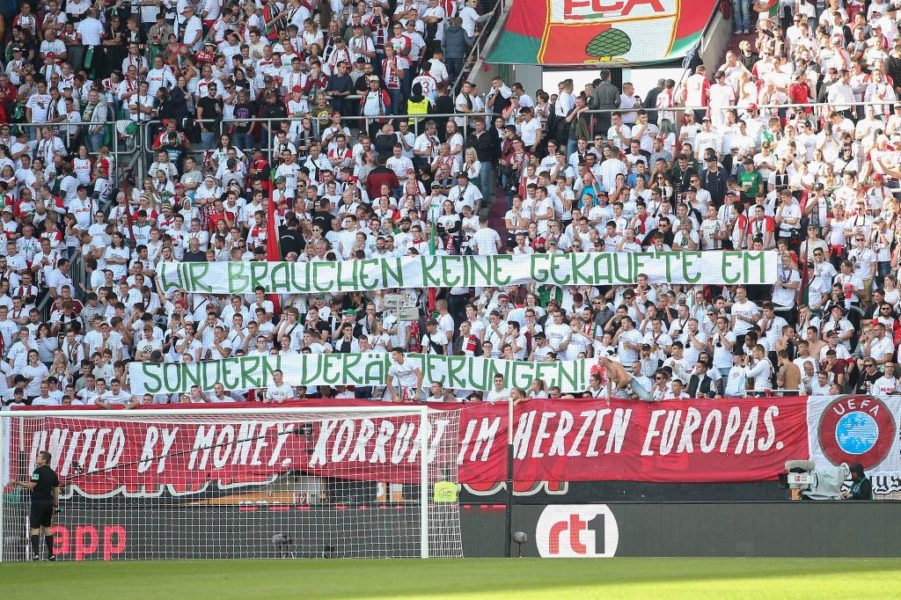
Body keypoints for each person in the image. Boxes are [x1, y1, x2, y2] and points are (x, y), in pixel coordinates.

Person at [8, 450, 60, 561]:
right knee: (47, 529)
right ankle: (51, 555)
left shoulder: (37, 471)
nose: (37, 458)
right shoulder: (53, 473)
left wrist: (17, 482)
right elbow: (56, 490)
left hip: (37, 503)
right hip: (49, 504)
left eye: (39, 457)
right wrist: (55, 505)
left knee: (35, 528)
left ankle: (36, 555)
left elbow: (31, 485)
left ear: (44, 460)